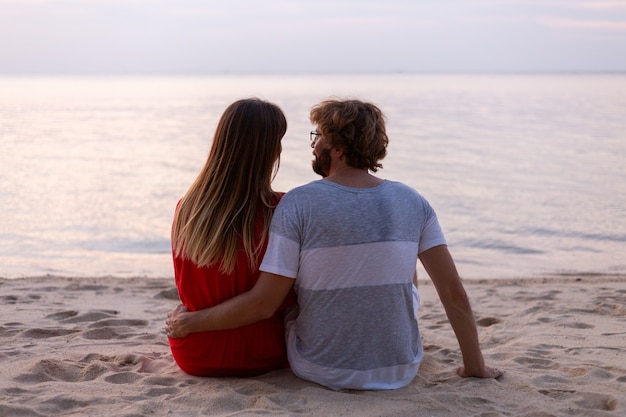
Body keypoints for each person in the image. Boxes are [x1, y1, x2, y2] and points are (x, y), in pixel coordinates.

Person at [166, 99, 503, 389]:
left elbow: (260, 302)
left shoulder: (281, 204)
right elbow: (453, 290)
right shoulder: (412, 200)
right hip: (389, 367)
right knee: (401, 268)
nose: (312, 145)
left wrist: (188, 323)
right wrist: (475, 366)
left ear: (337, 149)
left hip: (270, 362)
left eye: (318, 137)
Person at [167, 98, 294, 377]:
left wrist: (189, 324)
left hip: (193, 353)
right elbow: (264, 306)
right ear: (270, 150)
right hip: (261, 352)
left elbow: (187, 285)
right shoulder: (281, 210)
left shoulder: (186, 209)